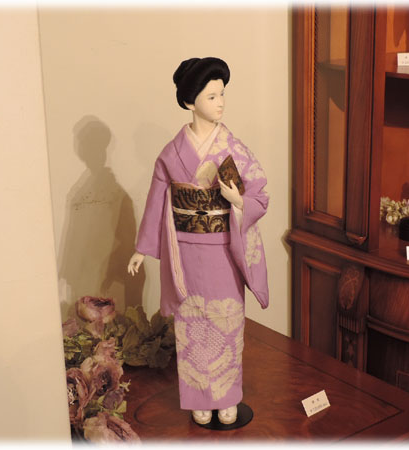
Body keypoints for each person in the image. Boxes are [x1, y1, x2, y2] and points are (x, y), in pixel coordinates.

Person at [127, 57, 269, 426]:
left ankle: (227, 396)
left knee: (227, 322)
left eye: (222, 94)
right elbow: (157, 201)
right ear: (190, 102)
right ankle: (199, 398)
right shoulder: (171, 153)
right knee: (191, 325)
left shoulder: (233, 148)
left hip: (223, 250)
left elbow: (260, 193)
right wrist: (142, 248)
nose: (220, 103)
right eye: (211, 96)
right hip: (186, 252)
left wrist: (237, 200)